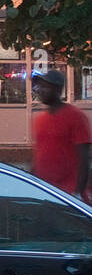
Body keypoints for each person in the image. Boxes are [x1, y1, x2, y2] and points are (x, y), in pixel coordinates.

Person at [31, 68, 91, 201]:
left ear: (58, 90)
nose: (40, 90)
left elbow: (84, 160)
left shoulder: (76, 117)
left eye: (45, 86)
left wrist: (78, 194)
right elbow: (39, 156)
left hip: (67, 196)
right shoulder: (41, 119)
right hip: (45, 193)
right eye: (39, 86)